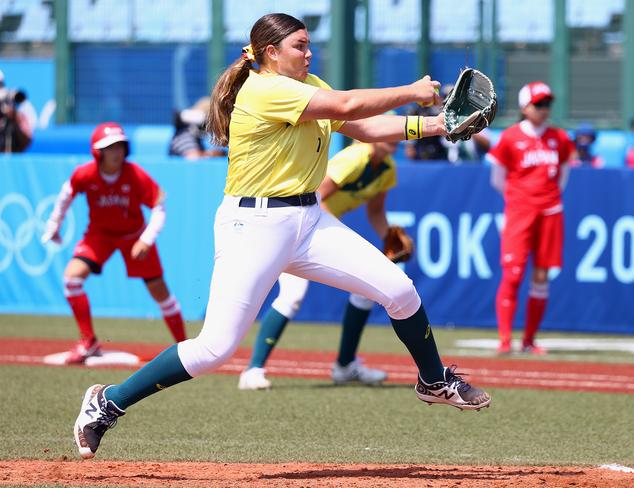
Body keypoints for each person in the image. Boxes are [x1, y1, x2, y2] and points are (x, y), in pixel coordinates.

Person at [72, 13, 491, 460]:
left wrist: (437, 127)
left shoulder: (309, 81)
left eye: (309, 44)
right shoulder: (264, 89)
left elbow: (364, 129)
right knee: (214, 349)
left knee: (399, 290)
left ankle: (433, 381)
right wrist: (412, 92)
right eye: (299, 45)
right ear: (271, 52)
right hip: (252, 226)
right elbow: (349, 106)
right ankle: (108, 402)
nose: (309, 52)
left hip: (308, 220)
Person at [238, 139, 402, 390]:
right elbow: (317, 196)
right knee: (293, 295)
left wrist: (388, 237)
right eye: (386, 131)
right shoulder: (355, 158)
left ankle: (345, 367)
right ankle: (253, 371)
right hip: (294, 224)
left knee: (366, 288)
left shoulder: (387, 169)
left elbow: (376, 212)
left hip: (318, 227)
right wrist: (338, 234)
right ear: (370, 135)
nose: (394, 138)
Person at [42, 122, 187, 364]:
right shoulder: (85, 173)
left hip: (134, 237)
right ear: (97, 152)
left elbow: (159, 208)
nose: (116, 151)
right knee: (72, 278)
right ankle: (88, 341)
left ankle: (184, 348)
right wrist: (53, 226)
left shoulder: (136, 174)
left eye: (119, 145)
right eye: (109, 147)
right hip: (100, 235)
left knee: (161, 294)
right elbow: (66, 195)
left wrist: (146, 239)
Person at [487, 81, 574, 355]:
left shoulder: (558, 138)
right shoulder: (511, 137)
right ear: (525, 107)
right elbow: (497, 179)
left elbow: (563, 171)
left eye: (547, 104)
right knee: (512, 274)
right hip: (519, 213)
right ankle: (504, 340)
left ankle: (528, 340)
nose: (544, 109)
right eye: (539, 104)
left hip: (550, 212)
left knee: (541, 275)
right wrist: (520, 198)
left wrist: (548, 198)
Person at [0, 67, 33, 154]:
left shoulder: (11, 113)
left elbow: (26, 143)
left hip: (6, 164)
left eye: (0, 87)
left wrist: (15, 119)